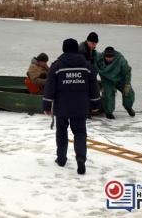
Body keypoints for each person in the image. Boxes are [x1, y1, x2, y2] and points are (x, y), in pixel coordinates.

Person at [42, 38, 101, 175]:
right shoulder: (87, 66)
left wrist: (46, 105)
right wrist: (96, 103)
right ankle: (80, 158)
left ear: (64, 49)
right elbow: (94, 87)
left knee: (62, 133)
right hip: (80, 107)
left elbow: (49, 88)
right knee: (80, 133)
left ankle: (61, 159)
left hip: (62, 107)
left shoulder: (56, 67)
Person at [94, 46, 135, 119]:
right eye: (107, 57)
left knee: (128, 93)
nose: (108, 59)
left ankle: (128, 107)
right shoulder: (100, 60)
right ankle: (108, 112)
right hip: (107, 81)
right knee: (108, 96)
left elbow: (127, 71)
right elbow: (94, 57)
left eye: (110, 57)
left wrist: (127, 84)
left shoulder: (120, 59)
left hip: (120, 79)